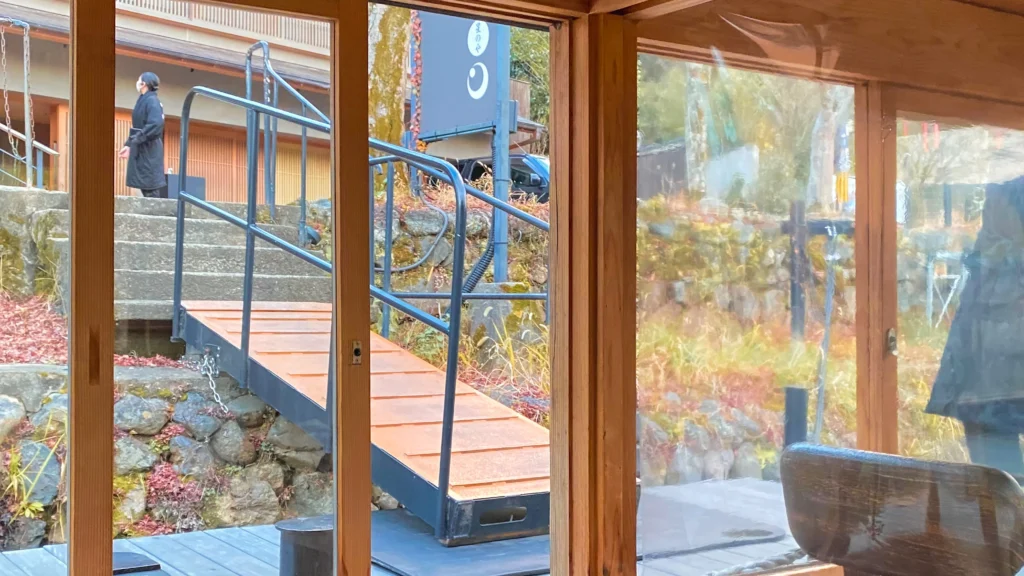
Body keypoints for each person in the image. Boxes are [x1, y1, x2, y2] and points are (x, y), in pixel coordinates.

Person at [926, 175, 1024, 480]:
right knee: (996, 478)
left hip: (997, 384)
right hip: (985, 386)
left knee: (999, 476)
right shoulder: (990, 259)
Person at [119, 72, 166, 198]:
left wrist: (137, 139)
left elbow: (155, 124)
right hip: (142, 144)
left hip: (150, 147)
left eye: (139, 80)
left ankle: (155, 209)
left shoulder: (152, 101)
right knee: (144, 183)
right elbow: (138, 127)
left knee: (150, 185)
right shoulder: (144, 99)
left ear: (143, 84)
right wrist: (129, 144)